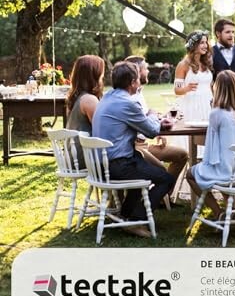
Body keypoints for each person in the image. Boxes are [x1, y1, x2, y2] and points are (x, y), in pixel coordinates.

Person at [92, 61, 175, 238]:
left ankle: (125, 215)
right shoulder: (127, 103)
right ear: (132, 83)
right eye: (138, 78)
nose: (139, 81)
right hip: (118, 164)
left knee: (144, 171)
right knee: (166, 178)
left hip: (100, 164)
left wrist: (150, 119)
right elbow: (152, 131)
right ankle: (135, 221)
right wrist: (153, 115)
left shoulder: (107, 97)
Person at [186, 70, 235, 218]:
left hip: (231, 175)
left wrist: (207, 166)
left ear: (218, 89)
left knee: (194, 173)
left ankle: (218, 212)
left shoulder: (218, 114)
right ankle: (232, 210)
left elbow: (210, 150)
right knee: (225, 167)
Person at [125, 55, 188, 184]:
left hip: (144, 143)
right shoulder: (130, 98)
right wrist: (157, 127)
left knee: (182, 154)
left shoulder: (139, 93)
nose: (148, 71)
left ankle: (164, 196)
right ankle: (160, 193)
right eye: (145, 68)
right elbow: (140, 125)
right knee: (163, 171)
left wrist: (160, 120)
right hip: (136, 148)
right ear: (137, 71)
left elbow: (145, 119)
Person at [66, 55, 105, 165]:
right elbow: (102, 130)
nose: (102, 77)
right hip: (84, 156)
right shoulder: (89, 100)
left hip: (74, 154)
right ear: (94, 75)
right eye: (101, 73)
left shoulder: (77, 97)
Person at [173, 30, 213, 121]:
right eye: (202, 43)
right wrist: (186, 88)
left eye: (206, 42)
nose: (205, 46)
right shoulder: (183, 65)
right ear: (193, 45)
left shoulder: (206, 63)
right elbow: (177, 90)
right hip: (192, 106)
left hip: (208, 104)